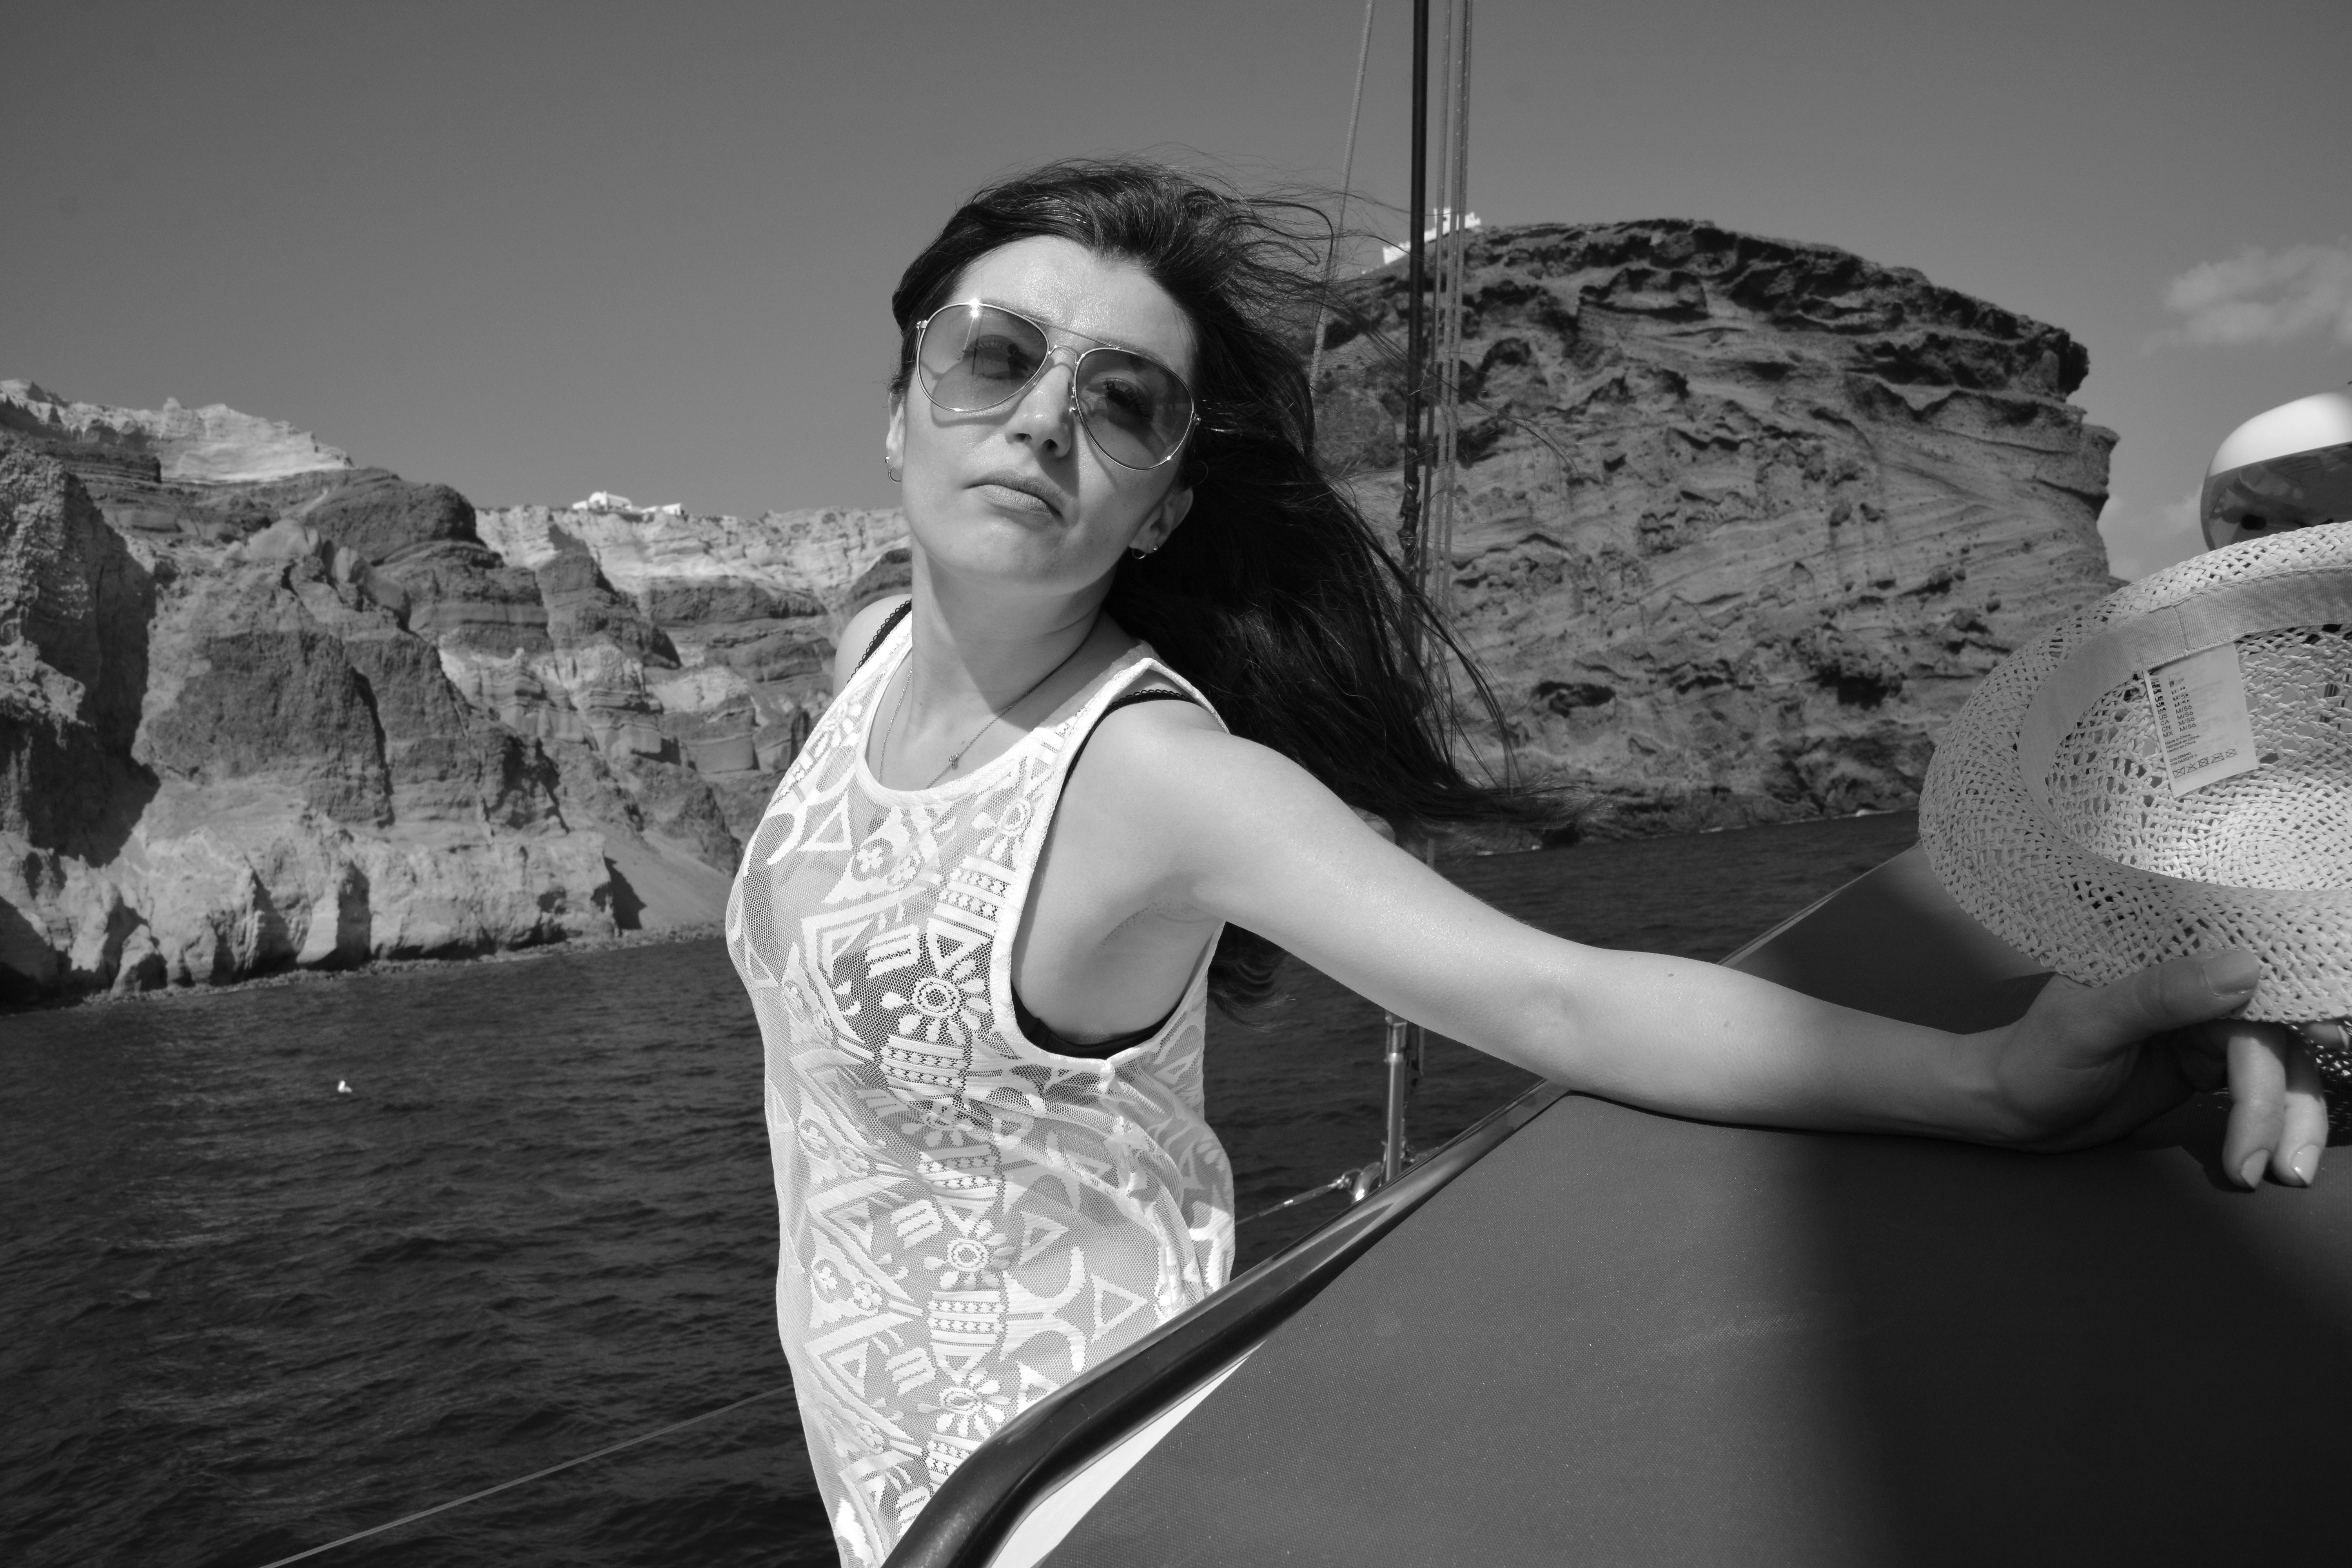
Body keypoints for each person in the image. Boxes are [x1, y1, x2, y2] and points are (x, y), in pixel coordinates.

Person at [725, 158, 2325, 1565]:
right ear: (900, 403)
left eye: (1123, 399)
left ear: (1161, 508)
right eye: (994, 358)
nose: (1040, 416)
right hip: (894, 1495)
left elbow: (1556, 995)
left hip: (1089, 1490)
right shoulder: (865, 646)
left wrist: (1992, 1079)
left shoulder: (1157, 780)